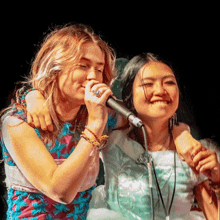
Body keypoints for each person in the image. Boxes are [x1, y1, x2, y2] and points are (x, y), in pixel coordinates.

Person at [21, 53, 220, 219]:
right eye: (147, 84)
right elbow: (68, 104)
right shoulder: (112, 134)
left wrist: (217, 179)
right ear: (129, 96)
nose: (160, 91)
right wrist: (32, 95)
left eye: (169, 82)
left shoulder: (196, 150)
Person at [0, 23, 116, 219]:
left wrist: (178, 132)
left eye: (99, 69)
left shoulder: (97, 114)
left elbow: (149, 122)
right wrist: (95, 126)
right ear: (54, 67)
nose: (93, 77)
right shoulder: (18, 122)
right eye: (83, 65)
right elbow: (59, 191)